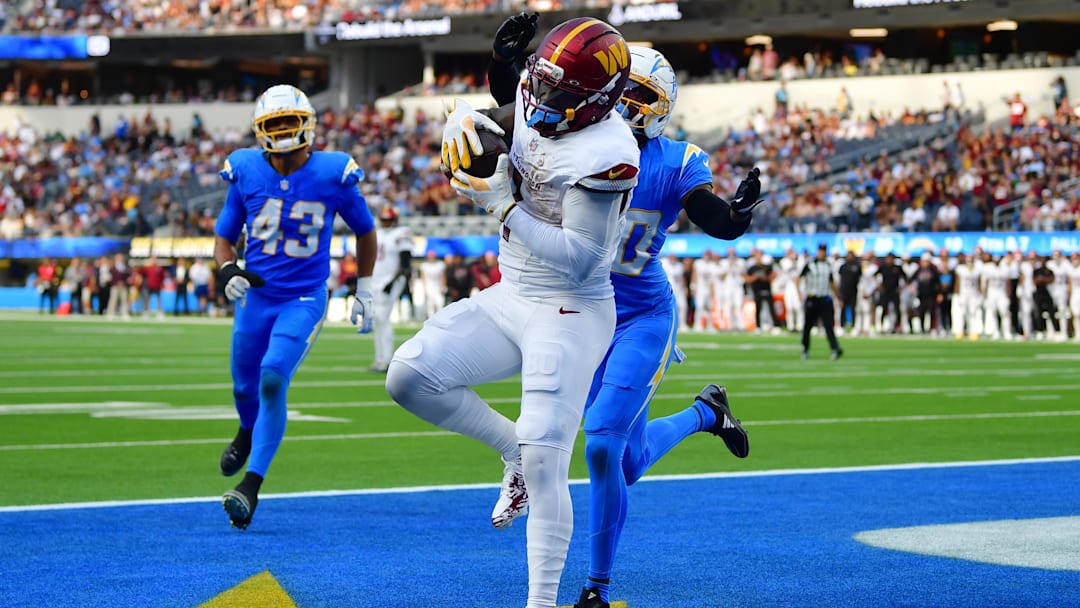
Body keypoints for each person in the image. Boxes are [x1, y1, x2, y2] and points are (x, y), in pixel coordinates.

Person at [386, 17, 639, 608]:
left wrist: (502, 205)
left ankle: (540, 603)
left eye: (558, 92)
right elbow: (506, 121)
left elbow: (581, 260)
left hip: (571, 309)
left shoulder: (608, 151)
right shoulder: (542, 99)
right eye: (539, 83)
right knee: (409, 376)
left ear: (596, 101)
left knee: (549, 453)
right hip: (511, 292)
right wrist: (464, 126)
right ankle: (510, 452)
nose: (540, 99)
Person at [562, 45, 758, 608]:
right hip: (582, 315)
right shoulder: (573, 144)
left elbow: (707, 211)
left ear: (663, 106)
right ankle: (707, 412)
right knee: (628, 459)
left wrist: (735, 216)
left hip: (642, 317)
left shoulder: (676, 160)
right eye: (621, 88)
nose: (626, 102)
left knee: (601, 443)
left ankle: (596, 588)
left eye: (640, 94)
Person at [213, 84, 378, 530]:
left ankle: (251, 485)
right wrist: (228, 268)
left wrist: (363, 286)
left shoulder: (332, 172)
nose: (284, 131)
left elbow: (365, 229)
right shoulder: (245, 169)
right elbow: (225, 234)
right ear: (261, 130)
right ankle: (247, 431)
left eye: (290, 122)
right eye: (275, 124)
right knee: (244, 387)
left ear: (307, 125)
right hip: (256, 296)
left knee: (271, 378)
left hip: (304, 298)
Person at [369, 205, 412, 373]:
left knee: (382, 318)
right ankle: (381, 359)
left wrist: (393, 282)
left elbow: (405, 262)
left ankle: (386, 360)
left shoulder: (401, 233)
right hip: (376, 279)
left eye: (389, 220)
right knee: (377, 320)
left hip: (391, 279)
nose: (386, 223)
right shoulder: (377, 234)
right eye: (384, 220)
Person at [799, 243, 843, 360]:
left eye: (824, 250)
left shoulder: (828, 265)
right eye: (820, 250)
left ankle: (835, 348)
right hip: (812, 298)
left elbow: (832, 282)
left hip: (825, 298)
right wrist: (800, 293)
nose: (822, 253)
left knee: (829, 325)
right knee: (808, 326)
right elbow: (799, 278)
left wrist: (838, 297)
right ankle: (805, 348)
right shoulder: (810, 264)